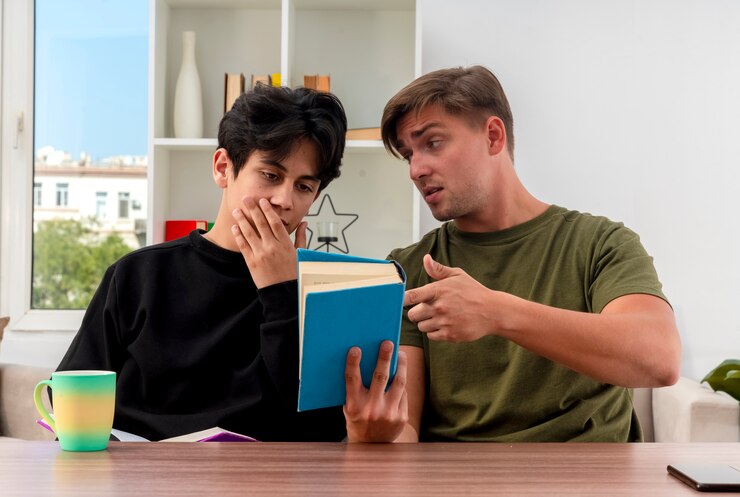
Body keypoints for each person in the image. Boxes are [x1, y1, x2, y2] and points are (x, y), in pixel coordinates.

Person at [55, 84, 405, 442]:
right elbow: (67, 399)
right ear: (223, 168)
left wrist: (282, 289)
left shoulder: (328, 290)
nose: (285, 199)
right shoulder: (138, 275)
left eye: (304, 187)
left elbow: (321, 430)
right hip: (143, 477)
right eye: (271, 175)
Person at [375, 65, 681, 442]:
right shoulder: (407, 268)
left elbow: (658, 359)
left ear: (492, 136)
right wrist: (369, 430)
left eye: (432, 143)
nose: (416, 170)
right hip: (459, 483)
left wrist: (497, 313)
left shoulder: (600, 243)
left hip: (590, 481)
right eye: (408, 155)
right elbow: (404, 429)